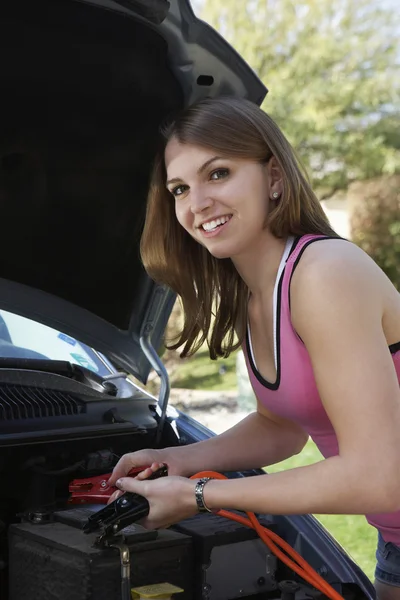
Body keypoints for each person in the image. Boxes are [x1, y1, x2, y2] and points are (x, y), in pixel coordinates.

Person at [107, 97, 400, 599]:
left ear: (274, 179)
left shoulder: (324, 272)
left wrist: (199, 495)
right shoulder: (256, 293)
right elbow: (281, 428)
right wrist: (180, 460)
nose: (196, 203)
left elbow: (380, 476)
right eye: (180, 188)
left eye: (217, 173)